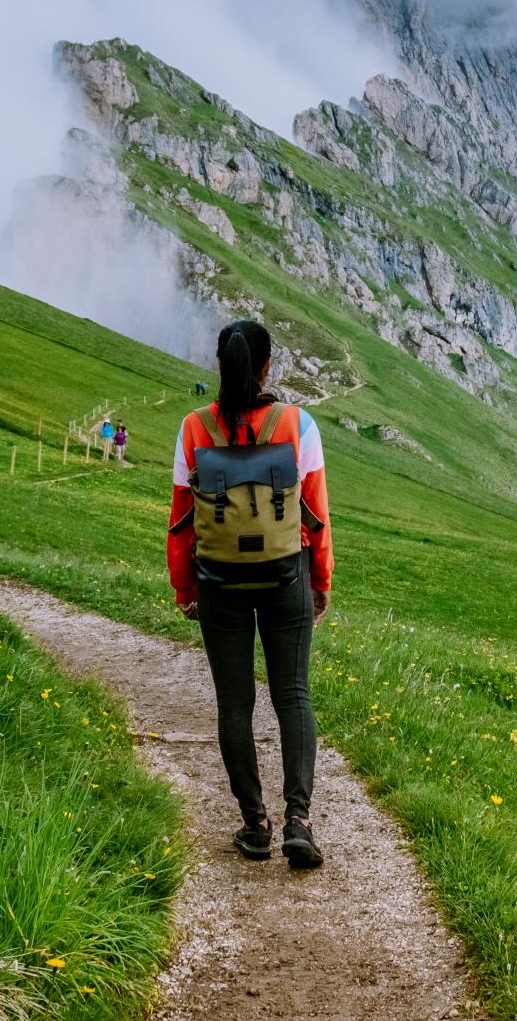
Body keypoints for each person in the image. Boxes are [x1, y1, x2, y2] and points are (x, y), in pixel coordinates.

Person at [168, 319, 332, 868]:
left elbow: (182, 520)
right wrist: (320, 580)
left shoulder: (193, 428)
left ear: (221, 366)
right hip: (288, 576)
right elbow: (316, 516)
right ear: (267, 368)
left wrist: (184, 586)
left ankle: (255, 825)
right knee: (293, 695)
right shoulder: (297, 424)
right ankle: (299, 822)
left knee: (235, 702)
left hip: (219, 581)